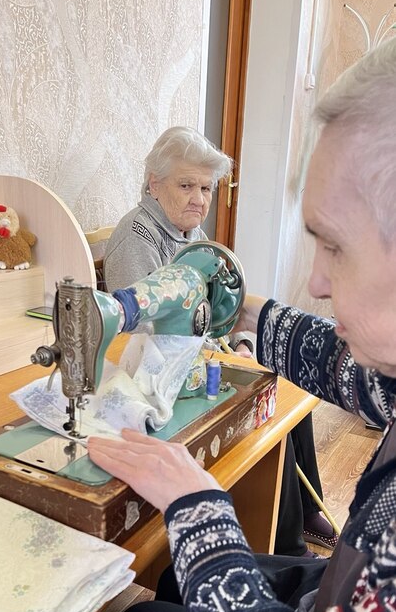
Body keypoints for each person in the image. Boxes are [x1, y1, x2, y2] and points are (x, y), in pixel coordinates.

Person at [88, 37, 396, 612]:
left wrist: (200, 510)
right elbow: (356, 373)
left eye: (334, 247)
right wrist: (248, 311)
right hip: (344, 606)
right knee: (178, 586)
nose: (315, 280)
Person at [104, 125, 336, 557]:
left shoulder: (189, 236)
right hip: (158, 370)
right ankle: (288, 543)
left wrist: (241, 341)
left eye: (206, 188)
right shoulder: (136, 238)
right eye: (186, 185)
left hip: (194, 353)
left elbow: (220, 303)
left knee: (281, 383)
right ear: (154, 184)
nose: (199, 198)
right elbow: (139, 334)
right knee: (267, 406)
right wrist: (216, 347)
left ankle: (305, 509)